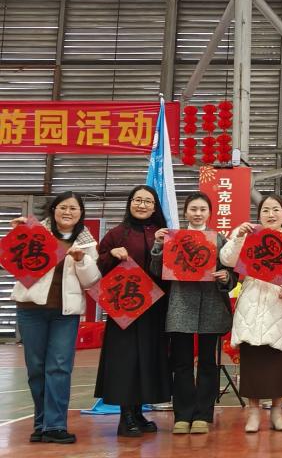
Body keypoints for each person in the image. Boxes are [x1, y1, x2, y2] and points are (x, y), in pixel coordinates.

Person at [11, 192, 101, 444]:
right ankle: (40, 424)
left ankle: (55, 425)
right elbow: (10, 261)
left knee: (60, 367)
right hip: (30, 309)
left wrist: (82, 261)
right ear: (53, 210)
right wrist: (18, 234)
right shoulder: (35, 232)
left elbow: (92, 280)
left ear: (81, 214)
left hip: (65, 313)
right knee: (36, 368)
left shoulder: (87, 243)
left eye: (73, 208)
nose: (68, 212)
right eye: (63, 207)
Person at [220, 194, 282, 433]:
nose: (271, 214)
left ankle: (277, 413)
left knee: (279, 365)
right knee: (253, 364)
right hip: (251, 307)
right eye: (266, 210)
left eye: (276, 210)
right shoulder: (249, 236)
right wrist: (239, 237)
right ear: (259, 215)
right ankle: (253, 414)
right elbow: (226, 259)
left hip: (280, 308)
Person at [153, 192, 237, 435]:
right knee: (182, 363)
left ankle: (203, 414)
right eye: (193, 209)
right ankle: (182, 415)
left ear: (209, 213)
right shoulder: (173, 238)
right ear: (185, 212)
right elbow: (157, 271)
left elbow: (232, 274)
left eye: (202, 209)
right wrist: (158, 246)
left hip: (211, 306)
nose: (198, 213)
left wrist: (226, 277)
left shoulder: (219, 239)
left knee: (208, 362)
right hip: (181, 307)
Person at [95, 185, 171, 437]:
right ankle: (125, 416)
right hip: (124, 309)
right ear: (129, 203)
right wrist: (111, 254)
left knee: (146, 359)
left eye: (147, 201)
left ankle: (138, 412)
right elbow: (98, 266)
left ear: (155, 206)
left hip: (154, 307)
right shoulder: (116, 234)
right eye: (137, 200)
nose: (142, 205)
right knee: (125, 361)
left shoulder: (163, 233)